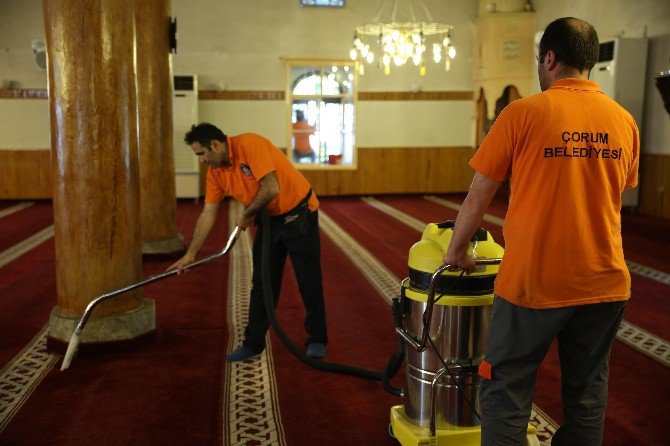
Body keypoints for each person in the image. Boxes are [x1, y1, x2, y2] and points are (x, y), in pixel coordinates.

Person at [443, 18, 639, 446]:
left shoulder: (522, 113)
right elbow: (613, 196)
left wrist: (456, 251)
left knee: (506, 391)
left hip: (535, 282)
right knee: (587, 396)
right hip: (604, 282)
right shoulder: (624, 121)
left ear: (549, 58)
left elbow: (479, 195)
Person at [168, 123, 328, 361]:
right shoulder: (215, 173)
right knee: (263, 283)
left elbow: (271, 188)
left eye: (202, 153)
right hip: (269, 219)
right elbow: (208, 213)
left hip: (299, 214)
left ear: (215, 145)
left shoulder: (250, 144)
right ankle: (253, 344)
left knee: (308, 280)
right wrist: (191, 254)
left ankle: (317, 339)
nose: (201, 160)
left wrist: (247, 213)